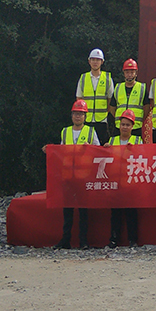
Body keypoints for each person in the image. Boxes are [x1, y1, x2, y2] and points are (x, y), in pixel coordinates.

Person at [52, 99, 99, 249]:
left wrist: (89, 148)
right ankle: (65, 240)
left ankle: (83, 241)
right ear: (71, 115)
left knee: (83, 210)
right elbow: (60, 151)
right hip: (68, 175)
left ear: (85, 116)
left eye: (81, 114)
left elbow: (98, 151)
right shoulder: (65, 131)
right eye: (75, 114)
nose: (78, 116)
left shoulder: (91, 131)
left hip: (83, 176)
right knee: (67, 210)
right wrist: (50, 150)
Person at [104, 110, 142, 248]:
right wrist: (105, 149)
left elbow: (143, 157)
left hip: (130, 181)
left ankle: (133, 239)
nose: (124, 127)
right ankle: (114, 239)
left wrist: (135, 150)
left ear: (132, 126)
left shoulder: (137, 140)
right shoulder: (112, 140)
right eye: (123, 124)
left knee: (131, 212)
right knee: (115, 213)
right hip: (116, 180)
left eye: (127, 125)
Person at [76, 48, 114, 144]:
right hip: (86, 119)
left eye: (98, 60)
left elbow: (110, 100)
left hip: (102, 120)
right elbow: (79, 99)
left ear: (102, 62)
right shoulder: (83, 78)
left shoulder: (107, 78)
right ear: (89, 61)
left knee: (102, 147)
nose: (95, 62)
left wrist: (104, 113)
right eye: (93, 59)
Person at [109, 59, 148, 138]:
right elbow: (112, 108)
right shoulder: (118, 87)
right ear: (124, 73)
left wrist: (140, 119)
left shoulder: (142, 88)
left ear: (136, 73)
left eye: (132, 72)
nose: (129, 75)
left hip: (136, 127)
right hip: (120, 127)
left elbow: (147, 108)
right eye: (127, 72)